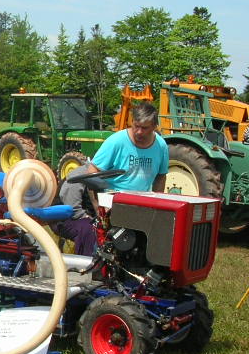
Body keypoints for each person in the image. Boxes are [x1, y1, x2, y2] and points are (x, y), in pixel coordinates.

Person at [56, 102, 168, 256]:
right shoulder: (116, 142)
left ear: (155, 126)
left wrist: (158, 204)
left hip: (141, 205)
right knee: (109, 245)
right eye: (136, 126)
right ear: (131, 122)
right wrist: (99, 210)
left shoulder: (161, 146)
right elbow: (92, 174)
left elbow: (161, 177)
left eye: (145, 128)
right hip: (113, 205)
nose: (139, 132)